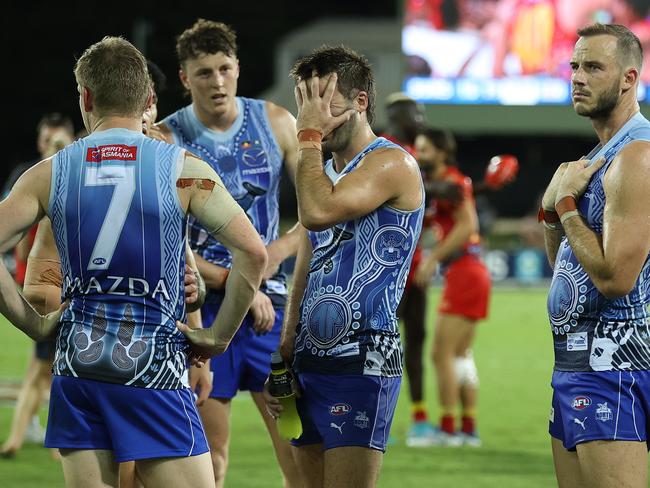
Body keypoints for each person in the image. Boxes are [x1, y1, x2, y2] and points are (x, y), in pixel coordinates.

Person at [0, 36, 267, 487]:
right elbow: (254, 253)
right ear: (147, 99)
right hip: (153, 367)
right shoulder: (183, 169)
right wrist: (217, 338)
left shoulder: (48, 173)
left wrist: (34, 324)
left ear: (85, 97)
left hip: (78, 367)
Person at [266, 45, 424, 488]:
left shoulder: (391, 163)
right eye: (306, 107)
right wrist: (288, 338)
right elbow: (309, 249)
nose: (312, 119)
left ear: (361, 102)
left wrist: (308, 139)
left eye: (326, 106)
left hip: (362, 361)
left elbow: (317, 212)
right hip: (311, 358)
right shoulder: (324, 169)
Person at [155, 19, 302, 488]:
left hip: (270, 315)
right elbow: (165, 238)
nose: (217, 82)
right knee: (211, 460)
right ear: (184, 78)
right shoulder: (165, 139)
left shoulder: (277, 122)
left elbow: (320, 212)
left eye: (224, 69)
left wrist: (275, 252)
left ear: (237, 68)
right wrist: (233, 280)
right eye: (204, 73)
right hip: (200, 311)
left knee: (297, 452)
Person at [539, 23, 650, 488]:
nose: (578, 77)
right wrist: (551, 214)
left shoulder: (636, 156)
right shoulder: (600, 156)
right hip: (576, 364)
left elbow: (614, 278)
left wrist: (566, 207)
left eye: (593, 67)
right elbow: (566, 265)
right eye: (575, 66)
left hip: (615, 366)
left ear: (628, 78)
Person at [0, 113, 75, 458]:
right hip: (45, 285)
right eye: (48, 141)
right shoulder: (32, 178)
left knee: (47, 368)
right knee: (51, 367)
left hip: (70, 287)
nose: (53, 148)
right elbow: (15, 235)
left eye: (59, 142)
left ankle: (26, 438)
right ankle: (51, 441)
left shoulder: (80, 172)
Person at [413, 127, 491, 447]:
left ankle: (446, 429)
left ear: (442, 153)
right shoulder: (444, 186)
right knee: (460, 354)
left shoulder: (455, 182)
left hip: (464, 269)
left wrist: (433, 260)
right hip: (471, 271)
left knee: (440, 353)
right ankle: (468, 427)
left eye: (425, 149)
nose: (419, 155)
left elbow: (468, 226)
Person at [379, 93, 437, 445]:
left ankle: (418, 419)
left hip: (413, 269)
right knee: (383, 345)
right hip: (385, 272)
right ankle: (375, 415)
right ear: (399, 116)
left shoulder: (413, 153)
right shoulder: (384, 150)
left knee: (415, 341)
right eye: (416, 112)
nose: (421, 117)